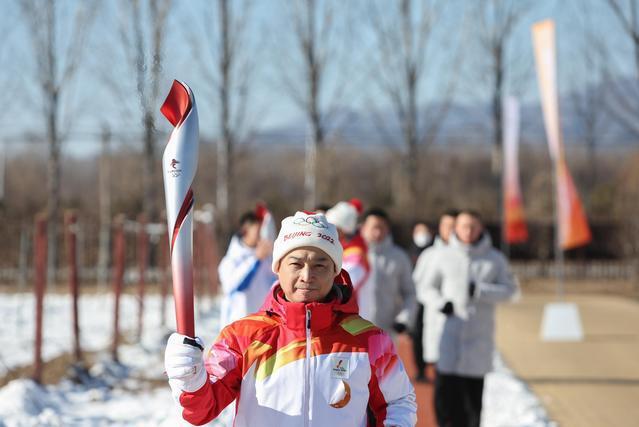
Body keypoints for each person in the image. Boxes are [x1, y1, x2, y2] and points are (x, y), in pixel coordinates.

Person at [164, 211, 417, 426]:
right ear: (278, 267)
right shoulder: (242, 336)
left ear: (335, 271)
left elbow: (398, 400)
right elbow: (200, 410)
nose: (307, 276)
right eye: (296, 264)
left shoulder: (369, 340)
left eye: (320, 265)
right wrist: (190, 379)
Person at [420, 210, 517, 427]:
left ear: (481, 228)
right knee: (444, 402)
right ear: (456, 228)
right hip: (448, 338)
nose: (469, 231)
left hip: (477, 341)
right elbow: (425, 287)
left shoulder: (494, 259)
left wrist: (481, 291)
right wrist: (440, 302)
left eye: (473, 226)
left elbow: (510, 291)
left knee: (471, 407)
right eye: (464, 226)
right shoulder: (442, 256)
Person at [413, 210, 458, 381]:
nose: (451, 230)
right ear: (440, 228)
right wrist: (439, 302)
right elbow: (419, 285)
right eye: (448, 226)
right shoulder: (429, 255)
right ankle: (421, 369)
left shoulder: (469, 257)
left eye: (455, 226)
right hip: (435, 316)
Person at [359, 208, 416, 336]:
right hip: (354, 329)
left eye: (382, 228)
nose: (377, 232)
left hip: (386, 330)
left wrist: (404, 318)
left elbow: (409, 292)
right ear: (363, 228)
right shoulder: (351, 255)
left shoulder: (399, 257)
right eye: (374, 227)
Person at [217, 211, 276, 328]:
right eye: (258, 232)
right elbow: (236, 286)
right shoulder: (230, 261)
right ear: (245, 231)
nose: (261, 236)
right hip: (237, 328)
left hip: (262, 325)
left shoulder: (265, 258)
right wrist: (256, 260)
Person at [326, 200, 370, 295]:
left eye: (333, 227)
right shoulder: (340, 248)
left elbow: (345, 285)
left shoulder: (355, 253)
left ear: (343, 230)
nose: (328, 230)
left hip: (354, 307)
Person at [407, 221, 433, 383]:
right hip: (415, 300)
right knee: (417, 334)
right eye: (419, 231)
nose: (422, 234)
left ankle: (431, 365)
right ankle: (420, 368)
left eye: (425, 231)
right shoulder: (409, 253)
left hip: (431, 300)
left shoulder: (434, 253)